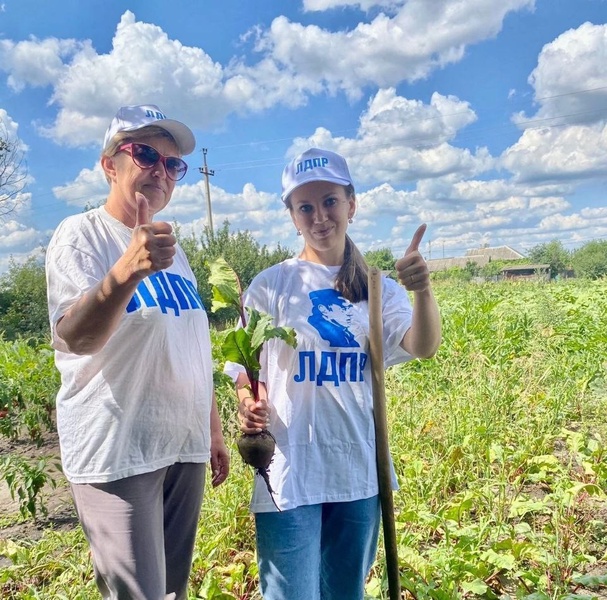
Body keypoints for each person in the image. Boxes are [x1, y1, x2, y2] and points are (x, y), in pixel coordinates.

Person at [230, 147, 441, 599]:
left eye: (329, 201)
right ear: (291, 214)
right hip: (288, 471)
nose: (319, 216)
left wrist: (422, 291)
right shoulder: (271, 285)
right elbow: (246, 368)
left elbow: (422, 346)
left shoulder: (376, 285)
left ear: (351, 204)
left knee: (346, 593)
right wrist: (248, 405)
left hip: (359, 469)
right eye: (305, 206)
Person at [45, 104, 230, 600]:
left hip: (181, 446)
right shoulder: (80, 236)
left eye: (173, 164)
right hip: (118, 452)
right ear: (110, 164)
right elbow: (75, 337)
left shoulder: (175, 251)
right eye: (146, 153)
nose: (161, 170)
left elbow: (191, 343)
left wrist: (211, 430)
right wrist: (126, 270)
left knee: (172, 592)